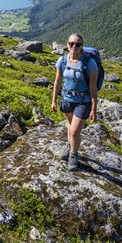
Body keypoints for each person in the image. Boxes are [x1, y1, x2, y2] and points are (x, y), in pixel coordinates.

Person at [51, 33, 98, 170]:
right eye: (71, 44)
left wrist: (94, 108)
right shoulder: (62, 61)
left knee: (74, 131)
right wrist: (54, 100)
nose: (74, 47)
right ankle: (69, 144)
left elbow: (93, 87)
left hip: (83, 101)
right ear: (67, 45)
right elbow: (57, 81)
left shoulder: (90, 63)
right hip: (67, 99)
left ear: (82, 46)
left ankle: (73, 154)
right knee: (70, 125)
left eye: (77, 44)